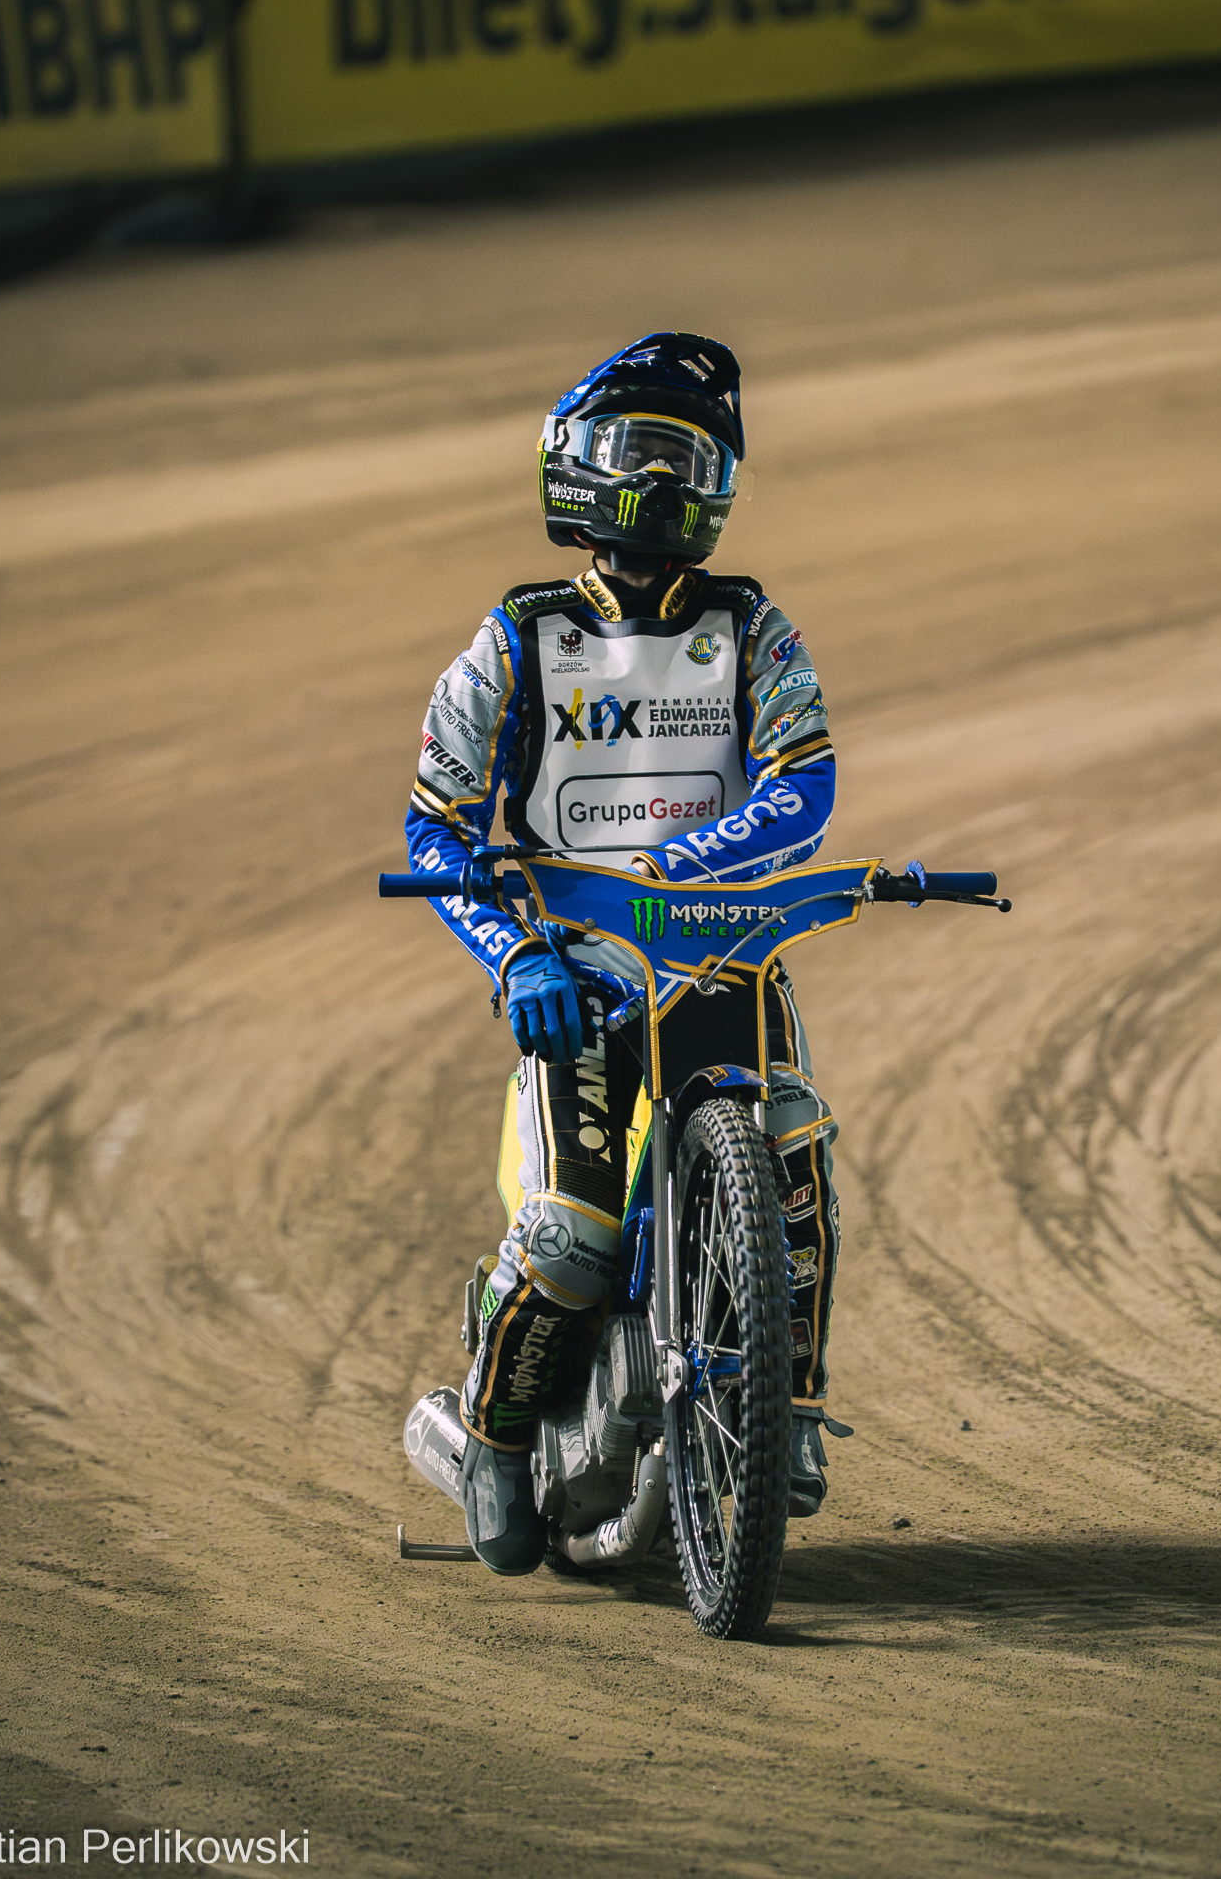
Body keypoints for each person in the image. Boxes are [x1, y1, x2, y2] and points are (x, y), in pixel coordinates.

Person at [404, 333, 845, 1574]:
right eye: (637, 451)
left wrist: (680, 870)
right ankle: (495, 1437)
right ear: (576, 464)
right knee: (571, 1233)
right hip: (579, 977)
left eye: (686, 458)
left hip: (724, 960)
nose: (659, 480)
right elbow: (437, 827)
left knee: (796, 1156)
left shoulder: (751, 626)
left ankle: (787, 1405)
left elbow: (806, 785)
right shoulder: (520, 636)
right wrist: (516, 957)